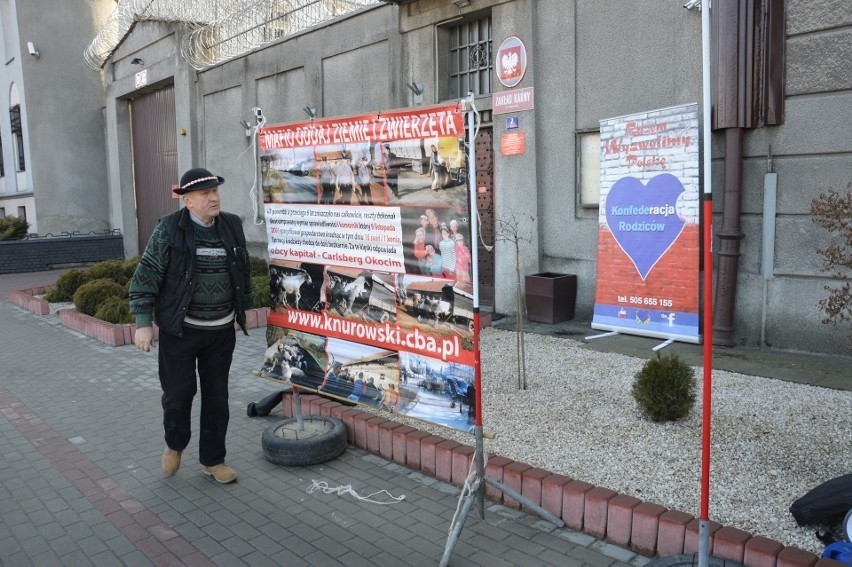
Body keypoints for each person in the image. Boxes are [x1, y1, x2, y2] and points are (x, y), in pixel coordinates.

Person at [129, 167, 253, 484]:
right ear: (187, 201)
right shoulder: (169, 230)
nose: (214, 198)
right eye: (204, 194)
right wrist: (143, 323)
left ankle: (213, 460)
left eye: (215, 191)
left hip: (221, 332)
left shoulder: (232, 225)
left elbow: (244, 272)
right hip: (180, 331)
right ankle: (175, 444)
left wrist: (243, 309)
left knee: (217, 397)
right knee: (179, 395)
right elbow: (146, 277)